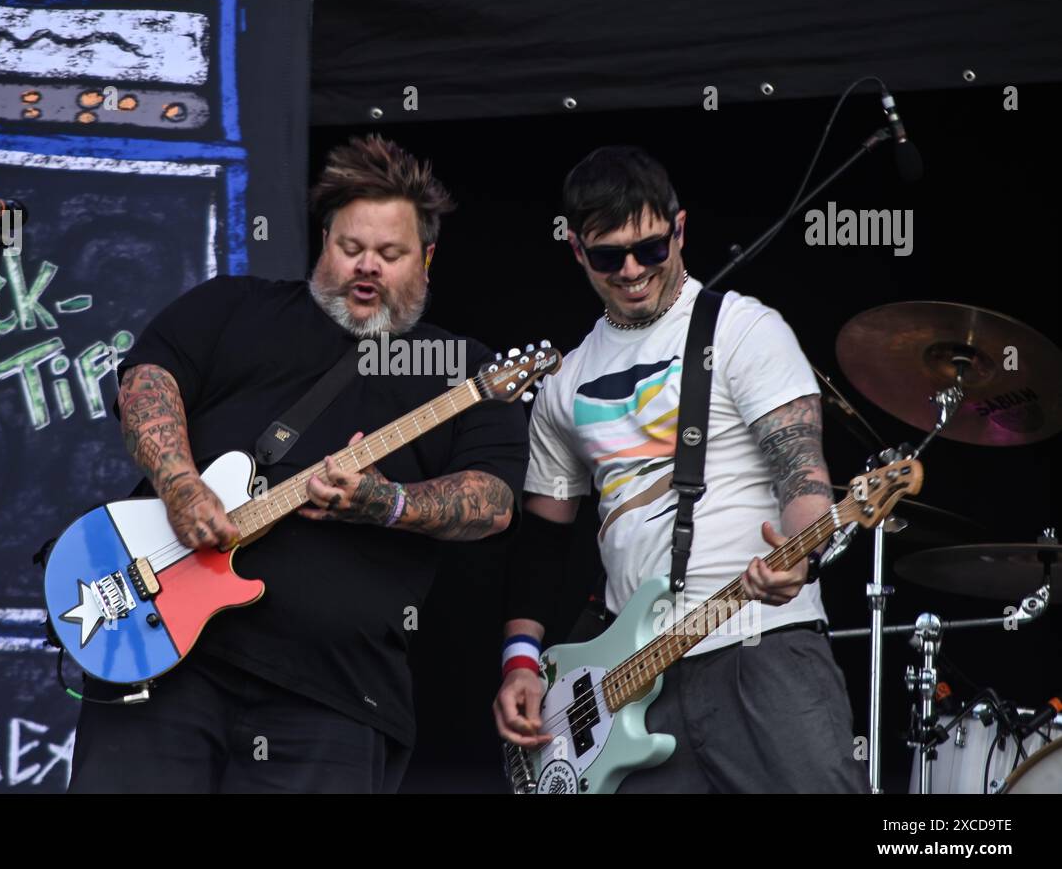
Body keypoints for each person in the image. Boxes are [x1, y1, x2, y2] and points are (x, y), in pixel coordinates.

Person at [69, 134, 528, 793]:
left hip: (335, 698)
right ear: (324, 242)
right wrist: (179, 486)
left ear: (427, 258)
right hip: (163, 661)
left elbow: (493, 501)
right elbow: (146, 380)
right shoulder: (235, 307)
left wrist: (386, 502)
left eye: (391, 254)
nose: (367, 266)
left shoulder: (465, 370)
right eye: (350, 248)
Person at [493, 146, 867, 793]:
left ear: (681, 229)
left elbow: (803, 475)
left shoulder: (747, 330)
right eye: (609, 256)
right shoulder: (565, 382)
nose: (633, 270)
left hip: (761, 640)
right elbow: (544, 540)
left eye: (652, 248)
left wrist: (801, 554)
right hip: (629, 673)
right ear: (578, 253)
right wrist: (520, 662)